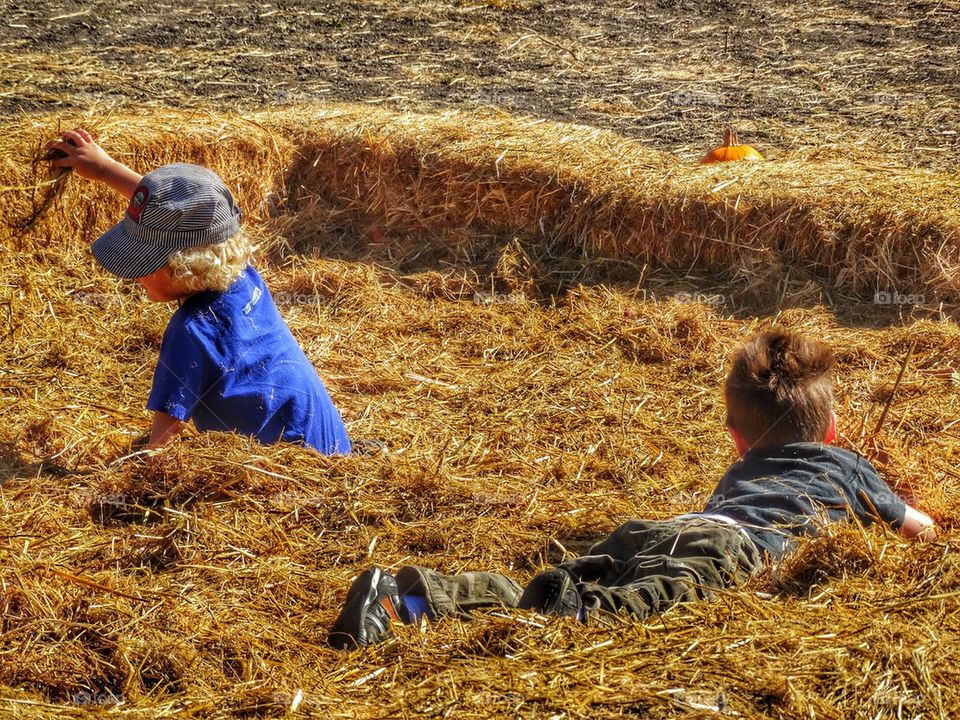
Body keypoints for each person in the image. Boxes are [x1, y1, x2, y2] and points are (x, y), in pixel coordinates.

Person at [327, 329, 935, 649]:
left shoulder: (739, 473)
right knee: (625, 608)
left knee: (579, 575)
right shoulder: (849, 467)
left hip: (668, 531)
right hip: (736, 553)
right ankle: (436, 602)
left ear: (737, 441)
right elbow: (919, 529)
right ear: (832, 430)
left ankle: (414, 597)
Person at [47, 129, 351, 454]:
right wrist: (106, 169)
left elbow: (162, 441)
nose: (133, 276)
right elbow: (193, 214)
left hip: (288, 474)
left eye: (142, 262)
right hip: (330, 445)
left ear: (183, 266)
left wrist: (132, 477)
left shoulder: (190, 332)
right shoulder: (241, 275)